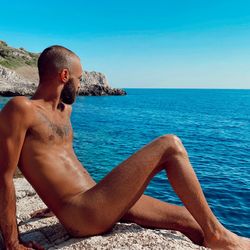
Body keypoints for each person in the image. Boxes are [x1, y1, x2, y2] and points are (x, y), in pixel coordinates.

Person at [0, 46, 249, 250]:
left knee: (191, 220)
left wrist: (52, 202)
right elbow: (3, 176)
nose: (80, 85)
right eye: (79, 79)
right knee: (170, 145)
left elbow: (59, 163)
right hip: (83, 215)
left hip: (97, 198)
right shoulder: (21, 109)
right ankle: (219, 235)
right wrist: (12, 243)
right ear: (64, 76)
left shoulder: (65, 112)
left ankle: (214, 237)